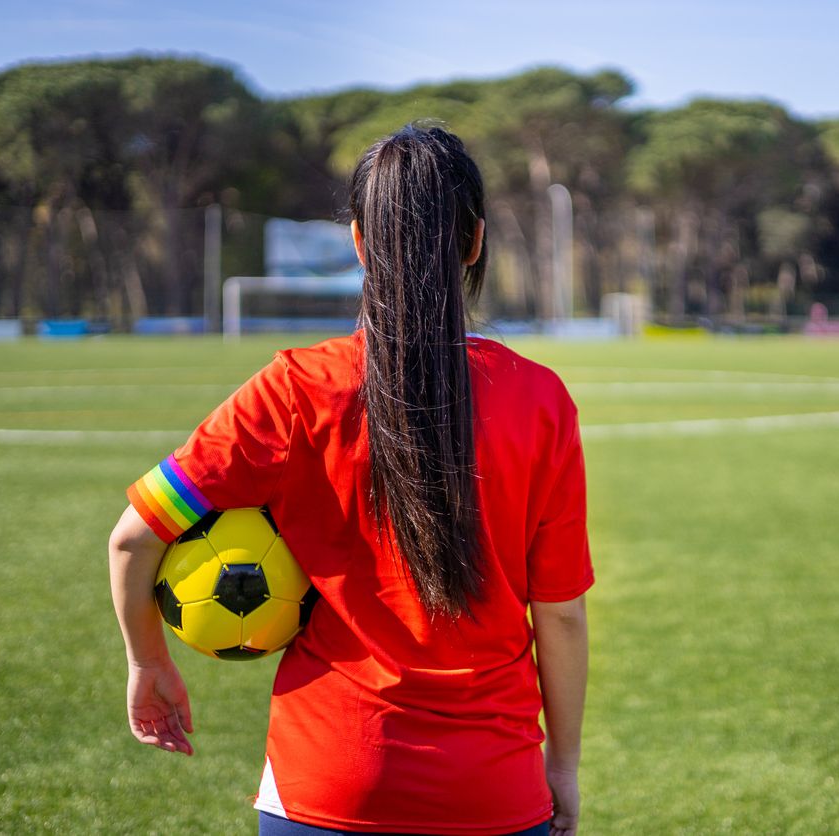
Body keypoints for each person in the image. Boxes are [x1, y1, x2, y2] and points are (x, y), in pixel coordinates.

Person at [109, 125, 591, 836]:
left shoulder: (293, 389)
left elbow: (132, 540)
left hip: (325, 784)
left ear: (361, 244)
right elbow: (561, 615)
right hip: (493, 791)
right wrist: (563, 768)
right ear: (475, 242)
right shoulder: (540, 397)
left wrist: (148, 664)